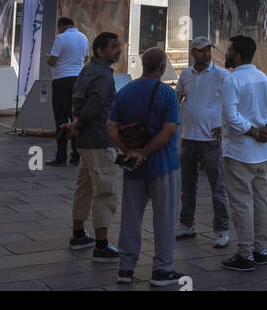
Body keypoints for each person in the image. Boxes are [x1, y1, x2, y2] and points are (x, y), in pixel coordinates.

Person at [108, 46, 182, 287]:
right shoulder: (167, 94)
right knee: (165, 218)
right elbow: (169, 130)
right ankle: (162, 269)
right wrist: (145, 152)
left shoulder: (126, 91)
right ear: (162, 67)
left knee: (130, 217)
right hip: (163, 165)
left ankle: (126, 268)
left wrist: (129, 151)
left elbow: (111, 126)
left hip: (134, 168)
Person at [220, 34, 267, 273]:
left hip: (239, 151)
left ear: (236, 55)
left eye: (228, 50)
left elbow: (230, 115)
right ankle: (261, 250)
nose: (225, 54)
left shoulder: (232, 80)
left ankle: (245, 253)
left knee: (241, 204)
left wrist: (253, 131)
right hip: (262, 152)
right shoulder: (262, 78)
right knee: (261, 201)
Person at [63, 31, 122, 260]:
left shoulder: (88, 70)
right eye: (113, 46)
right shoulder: (103, 76)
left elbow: (78, 100)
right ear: (100, 50)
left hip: (86, 142)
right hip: (99, 139)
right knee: (105, 192)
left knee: (84, 188)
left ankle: (78, 234)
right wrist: (78, 124)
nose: (117, 49)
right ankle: (101, 244)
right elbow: (95, 105)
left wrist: (77, 125)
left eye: (118, 45)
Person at [175, 36, 230, 247]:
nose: (206, 54)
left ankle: (221, 228)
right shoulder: (186, 74)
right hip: (188, 138)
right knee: (187, 186)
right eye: (201, 50)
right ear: (193, 53)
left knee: (217, 187)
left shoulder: (222, 76)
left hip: (210, 140)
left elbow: (230, 102)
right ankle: (186, 224)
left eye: (208, 50)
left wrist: (224, 126)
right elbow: (178, 96)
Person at [46, 16, 89, 166]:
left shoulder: (61, 38)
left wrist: (49, 59)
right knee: (76, 117)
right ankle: (76, 155)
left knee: (61, 118)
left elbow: (52, 60)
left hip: (62, 80)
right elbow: (86, 58)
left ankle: (61, 155)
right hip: (79, 79)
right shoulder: (84, 37)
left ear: (62, 25)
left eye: (59, 27)